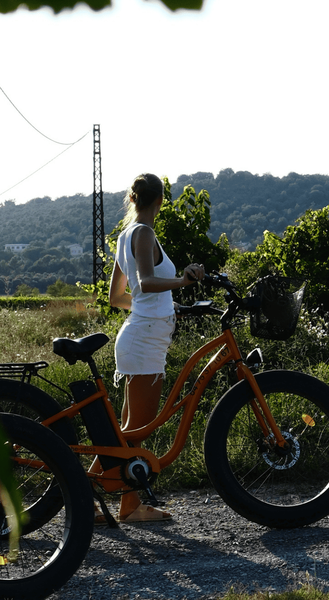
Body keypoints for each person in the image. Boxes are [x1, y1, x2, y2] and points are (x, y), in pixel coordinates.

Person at [100, 173, 205, 523]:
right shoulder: (143, 233)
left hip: (141, 334)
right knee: (137, 430)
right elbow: (145, 282)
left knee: (128, 430)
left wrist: (160, 308)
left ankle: (114, 503)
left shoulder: (124, 236)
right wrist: (182, 281)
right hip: (144, 340)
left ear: (133, 199)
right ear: (160, 201)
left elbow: (117, 297)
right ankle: (110, 503)